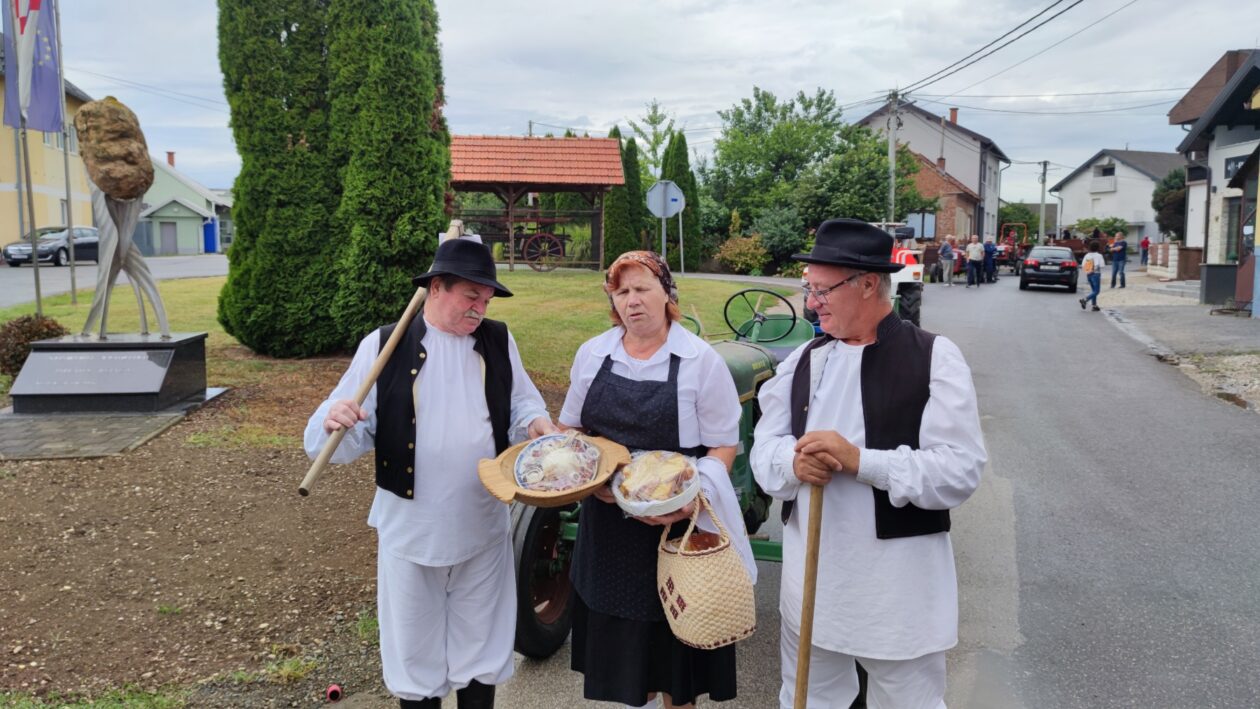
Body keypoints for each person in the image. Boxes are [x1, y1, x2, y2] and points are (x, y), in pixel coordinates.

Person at [304, 238, 555, 709]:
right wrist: (333, 420)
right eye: (470, 297)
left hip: (482, 524)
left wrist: (537, 422)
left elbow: (522, 401)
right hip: (412, 530)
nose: (480, 309)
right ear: (436, 288)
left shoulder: (498, 340)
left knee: (481, 649)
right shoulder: (384, 345)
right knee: (415, 655)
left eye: (486, 300)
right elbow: (342, 439)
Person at [750, 218, 986, 709]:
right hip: (810, 588)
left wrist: (861, 462)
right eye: (807, 288)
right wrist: (793, 466)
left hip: (896, 594)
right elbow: (763, 453)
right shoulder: (803, 361)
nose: (810, 302)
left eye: (821, 289)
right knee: (812, 700)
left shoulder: (934, 358)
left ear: (869, 284)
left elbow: (959, 471)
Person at [560, 250, 756, 709]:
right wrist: (594, 484)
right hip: (608, 530)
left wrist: (691, 501)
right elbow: (570, 429)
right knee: (629, 674)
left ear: (667, 295)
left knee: (676, 676)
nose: (633, 301)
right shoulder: (593, 354)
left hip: (674, 531)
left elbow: (723, 446)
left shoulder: (699, 360)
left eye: (643, 288)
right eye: (622, 291)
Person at [1079, 240, 1105, 312]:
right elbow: (1102, 265)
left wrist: (1088, 271)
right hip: (1096, 274)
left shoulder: (1087, 255)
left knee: (1093, 291)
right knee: (1096, 291)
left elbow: (1083, 265)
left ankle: (1094, 305)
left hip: (1089, 274)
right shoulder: (1099, 256)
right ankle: (1085, 300)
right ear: (1098, 248)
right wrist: (1094, 269)